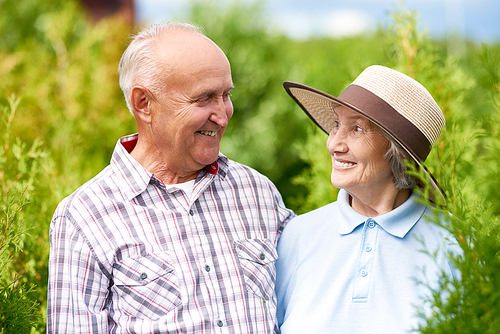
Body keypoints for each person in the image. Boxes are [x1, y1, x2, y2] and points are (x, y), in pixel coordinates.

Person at [47, 21, 295, 333]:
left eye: (225, 95)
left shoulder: (258, 193)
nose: (222, 114)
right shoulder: (84, 217)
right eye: (204, 99)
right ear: (144, 104)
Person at [275, 65, 460, 333]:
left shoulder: (454, 245)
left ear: (398, 151)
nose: (334, 144)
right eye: (337, 125)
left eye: (357, 129)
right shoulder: (297, 235)